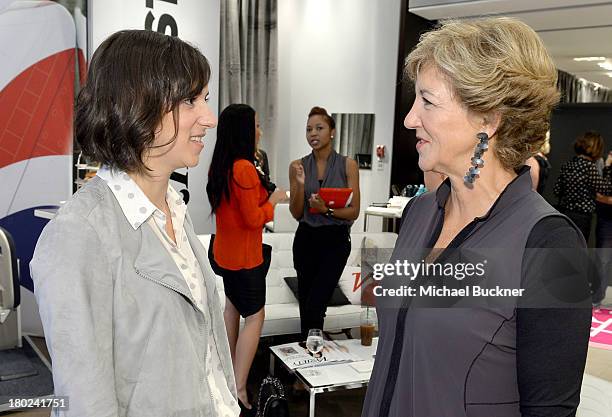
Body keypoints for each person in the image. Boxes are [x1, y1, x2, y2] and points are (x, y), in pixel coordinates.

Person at [362, 18, 592, 417]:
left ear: (488, 119)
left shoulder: (548, 243)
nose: (410, 118)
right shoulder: (419, 213)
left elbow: (549, 408)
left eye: (428, 102)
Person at [30, 30, 239, 417]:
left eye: (205, 99)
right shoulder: (79, 235)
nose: (208, 118)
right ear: (137, 105)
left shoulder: (173, 208)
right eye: (190, 100)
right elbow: (85, 405)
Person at [206, 104, 286, 415]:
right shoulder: (243, 168)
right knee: (255, 317)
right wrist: (274, 201)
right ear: (243, 130)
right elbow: (254, 218)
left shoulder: (221, 166)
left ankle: (229, 380)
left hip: (225, 255)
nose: (259, 131)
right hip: (245, 259)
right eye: (255, 125)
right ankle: (238, 388)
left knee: (232, 310)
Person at [289, 106, 360, 340]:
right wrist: (299, 184)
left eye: (319, 128)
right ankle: (308, 361)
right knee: (307, 305)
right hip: (306, 238)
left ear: (332, 132)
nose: (313, 134)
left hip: (335, 242)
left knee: (316, 303)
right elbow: (297, 213)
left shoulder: (348, 165)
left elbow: (354, 211)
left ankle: (311, 358)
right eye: (309, 129)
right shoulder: (298, 165)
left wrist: (326, 210)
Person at [554, 131, 612, 241]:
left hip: (565, 214)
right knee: (579, 249)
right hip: (582, 217)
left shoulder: (568, 164)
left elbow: (557, 190)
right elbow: (606, 189)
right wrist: (608, 167)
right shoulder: (589, 167)